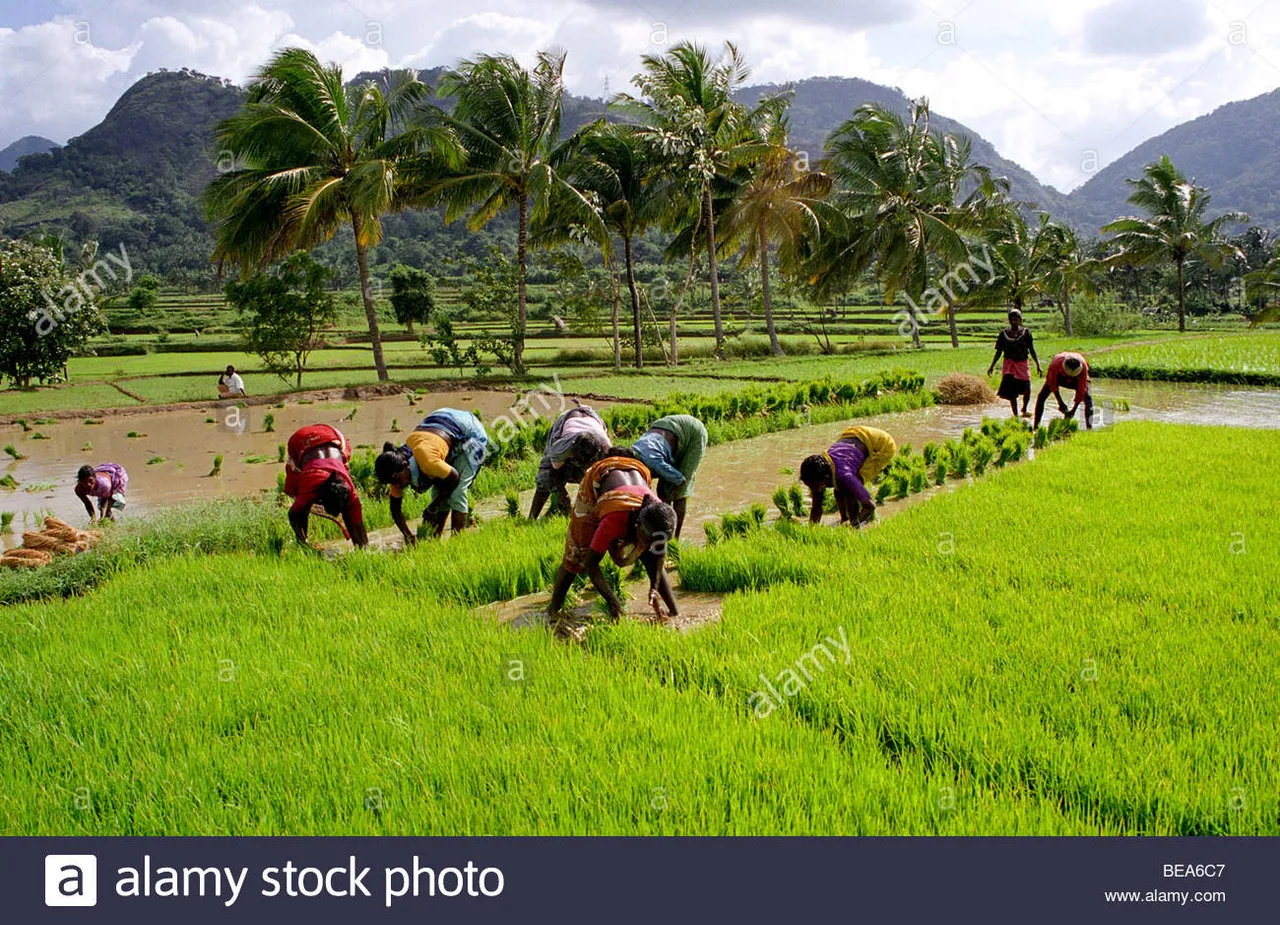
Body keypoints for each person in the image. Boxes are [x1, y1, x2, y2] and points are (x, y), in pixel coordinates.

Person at [547, 454, 680, 623]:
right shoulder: (615, 519)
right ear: (637, 524)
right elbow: (591, 563)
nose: (652, 544)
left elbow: (658, 555)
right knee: (577, 555)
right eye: (648, 539)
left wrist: (655, 590)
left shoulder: (658, 515)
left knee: (648, 555)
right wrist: (613, 602)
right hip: (597, 479)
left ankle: (674, 611)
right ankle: (553, 611)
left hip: (636, 470)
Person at [374, 408, 488, 543]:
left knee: (457, 492)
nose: (396, 485)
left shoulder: (427, 461)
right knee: (439, 492)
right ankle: (434, 540)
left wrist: (434, 506)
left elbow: (454, 478)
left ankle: (458, 542)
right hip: (442, 425)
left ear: (405, 467)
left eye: (396, 481)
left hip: (470, 432)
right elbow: (395, 510)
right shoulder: (396, 470)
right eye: (391, 483)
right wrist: (408, 536)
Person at [283, 424, 368, 548]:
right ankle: (303, 544)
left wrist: (363, 548)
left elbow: (357, 524)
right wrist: (302, 543)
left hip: (334, 436)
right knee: (301, 505)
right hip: (300, 441)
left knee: (349, 512)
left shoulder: (350, 493)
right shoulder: (311, 487)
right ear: (321, 499)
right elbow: (293, 514)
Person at [798, 425, 897, 527]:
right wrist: (811, 529)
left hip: (881, 444)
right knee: (839, 488)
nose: (812, 489)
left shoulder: (844, 475)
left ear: (823, 479)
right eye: (809, 486)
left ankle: (852, 520)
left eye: (813, 486)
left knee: (849, 489)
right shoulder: (819, 474)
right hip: (855, 434)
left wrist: (853, 527)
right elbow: (816, 508)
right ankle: (844, 519)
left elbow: (870, 505)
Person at [629, 413, 707, 539]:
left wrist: (671, 495)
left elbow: (680, 480)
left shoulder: (653, 462)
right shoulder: (634, 455)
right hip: (665, 429)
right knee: (662, 490)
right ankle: (662, 533)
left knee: (679, 494)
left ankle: (674, 538)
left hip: (693, 432)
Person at [528, 401, 611, 519]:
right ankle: (532, 518)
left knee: (600, 479)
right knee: (545, 479)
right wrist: (562, 493)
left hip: (593, 419)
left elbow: (610, 469)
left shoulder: (605, 445)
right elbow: (554, 472)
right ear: (572, 453)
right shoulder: (562, 447)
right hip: (566, 422)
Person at [986, 308, 1041, 419]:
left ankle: (1024, 409)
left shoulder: (1026, 333)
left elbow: (1032, 349)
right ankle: (1015, 415)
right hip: (1009, 365)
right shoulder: (1004, 334)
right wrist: (991, 366)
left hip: (1022, 364)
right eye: (1012, 319)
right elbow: (999, 351)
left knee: (1027, 389)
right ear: (1009, 320)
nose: (1014, 321)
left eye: (1016, 319)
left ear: (1020, 320)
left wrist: (1038, 365)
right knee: (1012, 393)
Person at [1035, 351, 1094, 430]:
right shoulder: (1055, 364)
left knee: (1088, 398)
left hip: (1076, 379)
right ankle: (1036, 427)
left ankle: (1089, 429)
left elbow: (1081, 390)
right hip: (1060, 377)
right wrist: (1060, 403)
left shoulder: (1083, 367)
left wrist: (1073, 410)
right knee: (1041, 397)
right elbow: (1052, 383)